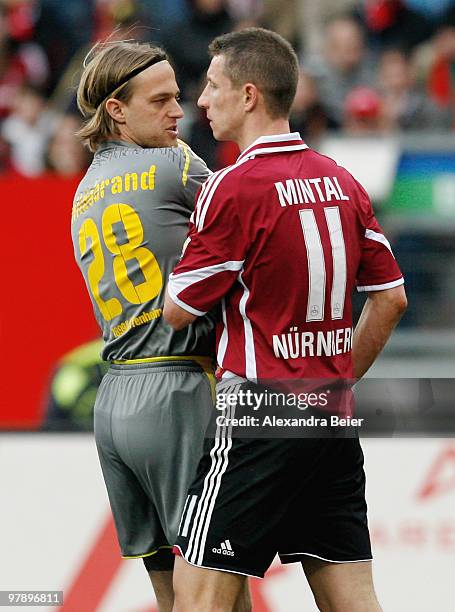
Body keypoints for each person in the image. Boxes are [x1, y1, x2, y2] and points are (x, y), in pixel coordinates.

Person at [164, 27, 407, 611]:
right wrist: (335, 380)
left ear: (248, 95)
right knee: (354, 600)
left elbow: (178, 310)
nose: (201, 100)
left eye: (213, 86)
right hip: (328, 414)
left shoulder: (234, 186)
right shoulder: (342, 180)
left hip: (257, 418)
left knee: (197, 599)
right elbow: (391, 298)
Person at [72, 41, 252, 612]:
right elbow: (256, 213)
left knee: (172, 598)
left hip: (116, 403)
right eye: (163, 100)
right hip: (178, 390)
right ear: (117, 110)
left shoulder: (82, 193)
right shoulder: (172, 162)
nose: (181, 112)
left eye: (179, 96)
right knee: (222, 595)